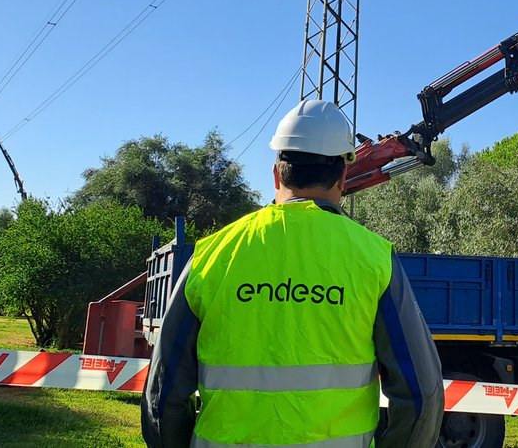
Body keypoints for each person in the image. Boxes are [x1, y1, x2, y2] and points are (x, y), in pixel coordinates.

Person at [142, 99, 444, 448]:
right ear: (343, 176)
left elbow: (163, 394)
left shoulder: (212, 254)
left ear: (276, 173)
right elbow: (422, 395)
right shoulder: (374, 258)